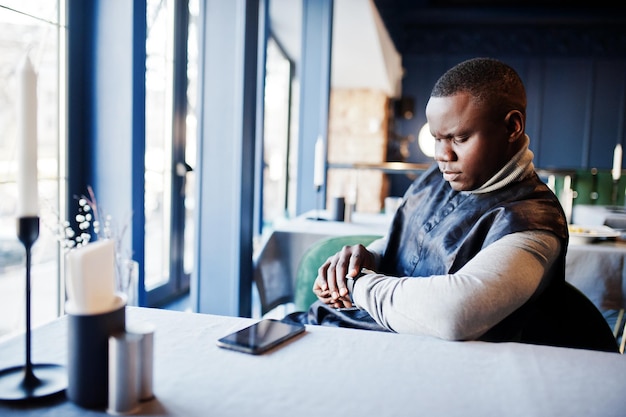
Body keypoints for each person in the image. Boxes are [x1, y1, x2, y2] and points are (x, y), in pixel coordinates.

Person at [284, 57, 618, 352]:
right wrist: (360, 261)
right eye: (437, 139)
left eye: (459, 138)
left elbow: (454, 315)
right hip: (377, 338)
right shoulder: (435, 177)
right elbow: (401, 244)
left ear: (512, 126)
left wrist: (358, 287)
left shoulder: (534, 221)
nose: (443, 156)